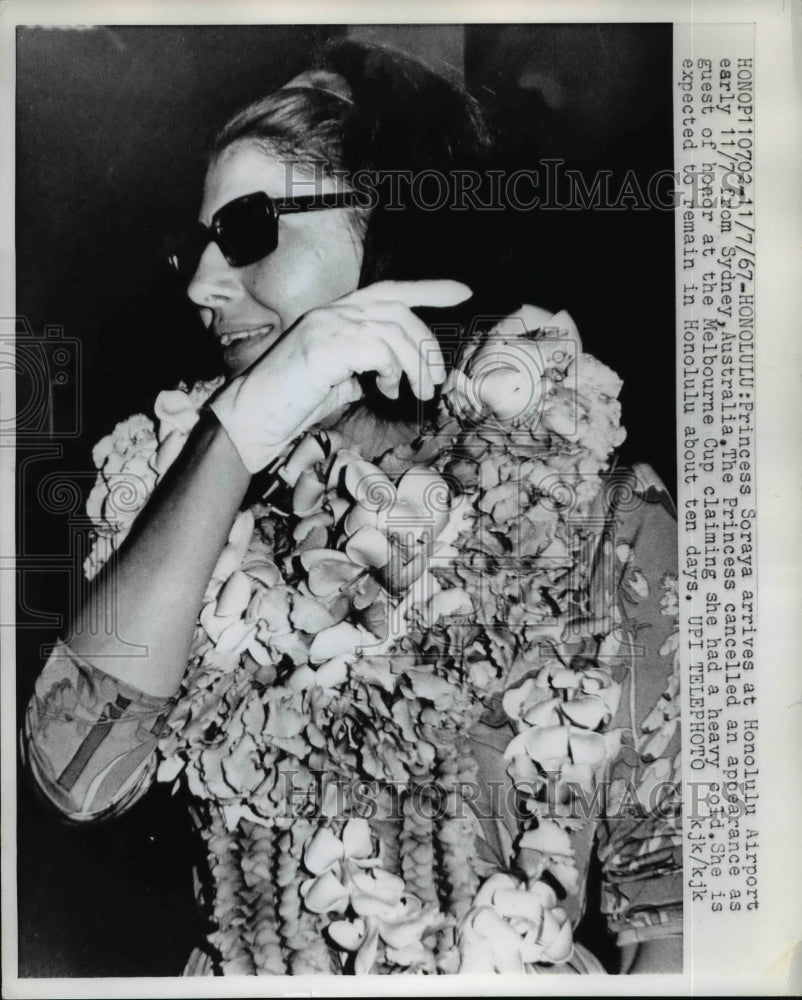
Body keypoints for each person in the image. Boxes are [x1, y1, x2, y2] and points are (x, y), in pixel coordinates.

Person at [23, 40, 682, 976]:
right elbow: (74, 778)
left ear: (394, 223)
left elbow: (682, 918)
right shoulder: (189, 498)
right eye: (196, 245)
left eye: (248, 229)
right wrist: (236, 433)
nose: (202, 286)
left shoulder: (604, 523)